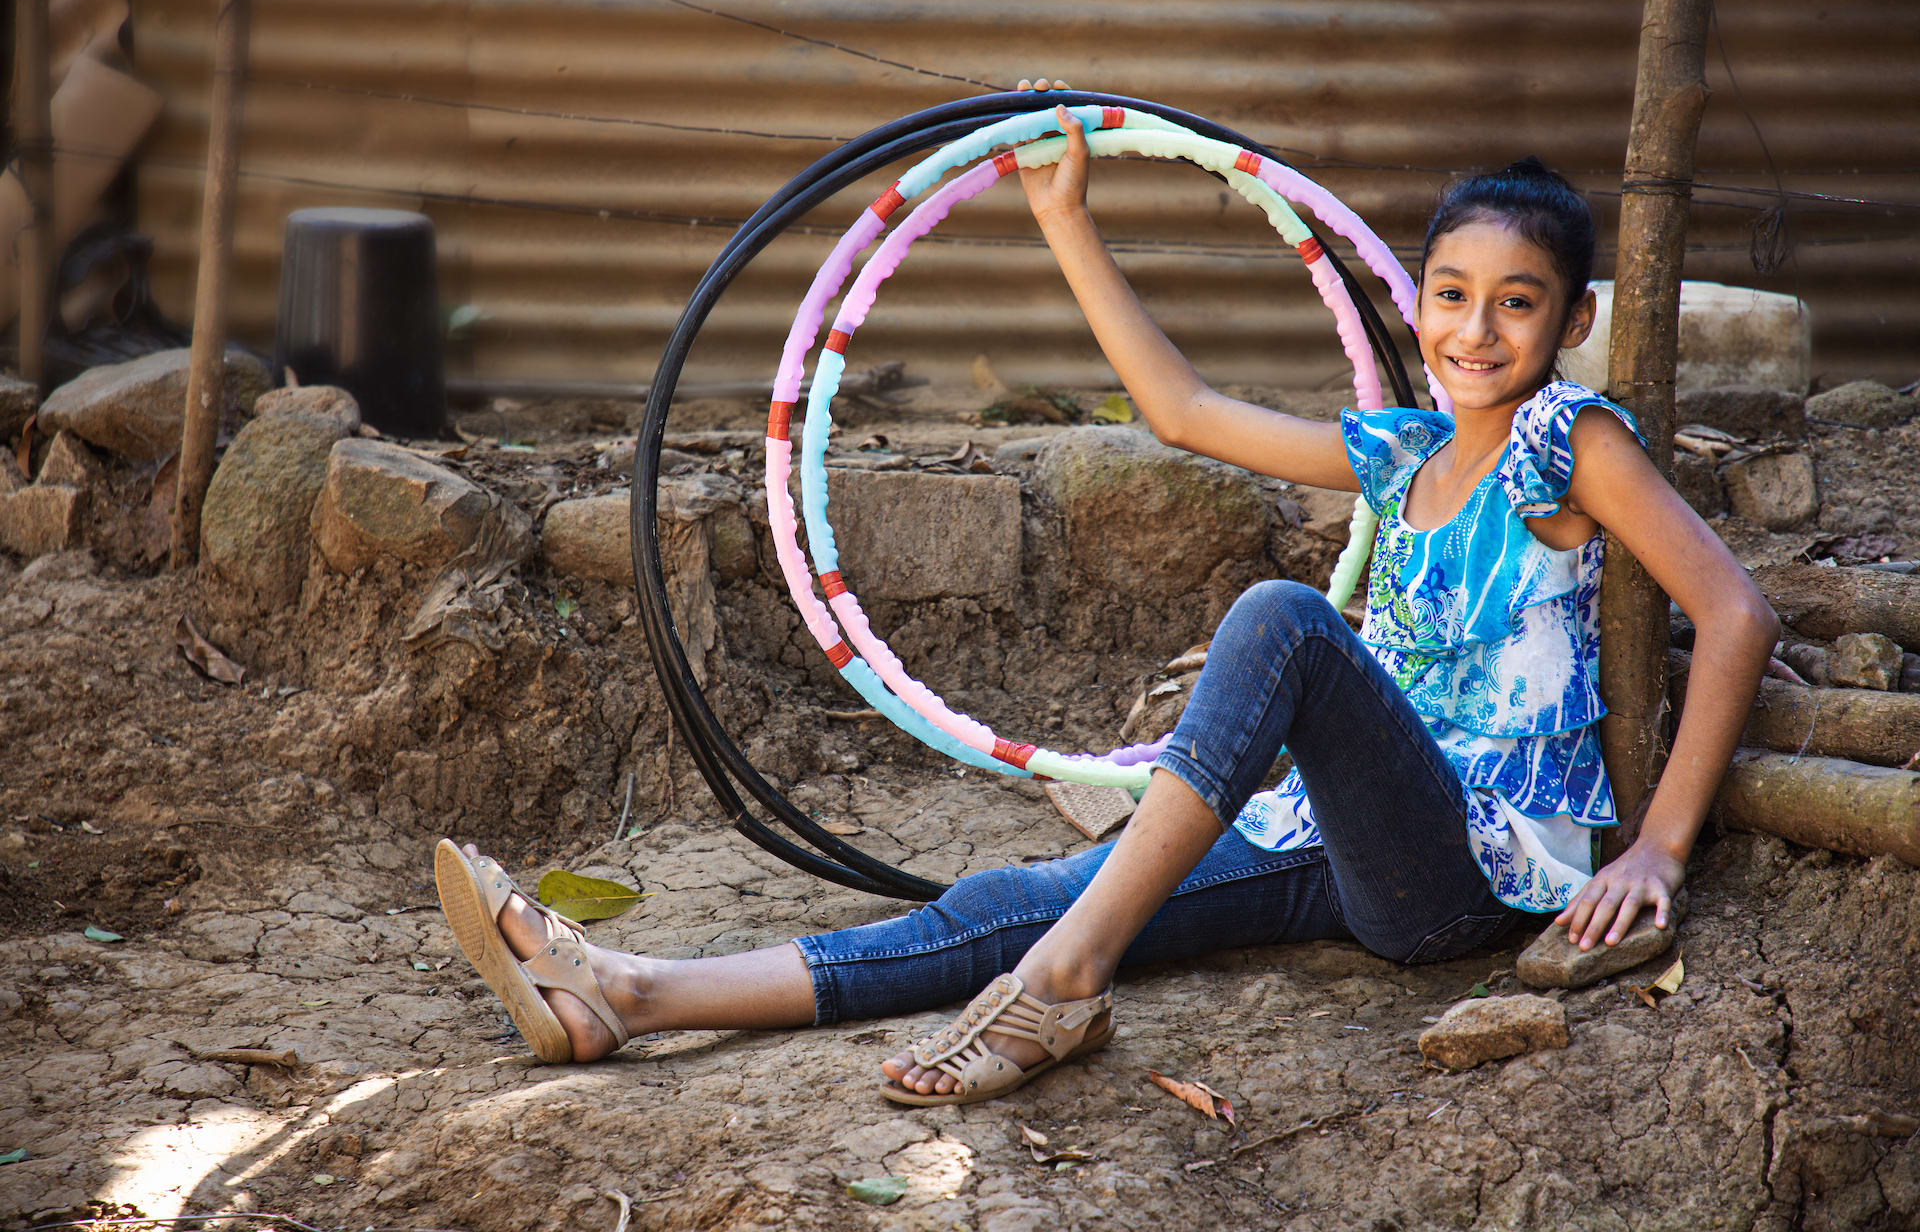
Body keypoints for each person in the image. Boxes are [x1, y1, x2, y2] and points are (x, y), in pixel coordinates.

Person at [433, 84, 1779, 1107]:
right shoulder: (1404, 451)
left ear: (1572, 319)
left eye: (1515, 305)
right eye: (1450, 295)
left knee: (1282, 623)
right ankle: (630, 991)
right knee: (1010, 899)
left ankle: (1067, 986)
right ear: (1415, 299)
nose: (1474, 333)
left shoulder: (1570, 444)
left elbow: (1734, 614)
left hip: (1470, 875)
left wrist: (1656, 843)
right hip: (1335, 835)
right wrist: (1065, 218)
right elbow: (1182, 411)